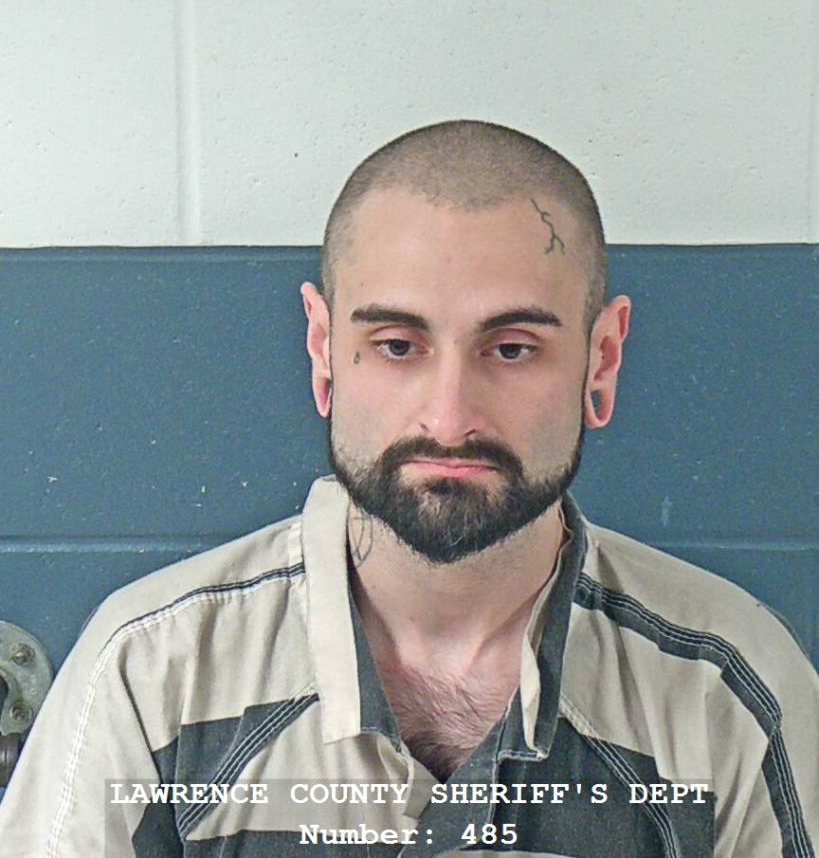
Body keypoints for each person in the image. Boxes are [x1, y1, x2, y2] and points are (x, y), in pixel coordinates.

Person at [0, 120, 816, 857]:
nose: (449, 417)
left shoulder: (729, 686)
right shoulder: (150, 669)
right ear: (323, 352)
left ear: (600, 361)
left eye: (511, 348)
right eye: (396, 345)